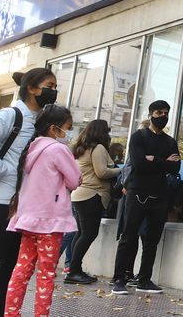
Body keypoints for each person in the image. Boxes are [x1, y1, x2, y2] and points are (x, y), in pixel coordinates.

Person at [0, 67, 57, 317]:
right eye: (49, 86)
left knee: (11, 262)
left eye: (55, 87)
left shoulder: (38, 121)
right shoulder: (11, 115)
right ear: (32, 88)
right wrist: (3, 171)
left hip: (24, 205)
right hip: (3, 200)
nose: (54, 91)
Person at [3, 104, 79, 317]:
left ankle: (11, 313)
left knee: (21, 269)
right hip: (50, 221)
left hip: (28, 219)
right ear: (54, 129)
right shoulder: (58, 149)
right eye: (68, 128)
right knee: (46, 273)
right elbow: (74, 180)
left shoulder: (32, 148)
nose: (69, 133)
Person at [110, 100, 180, 295]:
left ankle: (144, 279)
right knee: (128, 236)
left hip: (160, 195)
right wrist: (163, 162)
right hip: (137, 193)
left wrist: (153, 159)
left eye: (166, 113)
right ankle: (119, 279)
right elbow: (139, 164)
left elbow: (175, 167)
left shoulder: (170, 141)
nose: (163, 116)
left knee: (152, 240)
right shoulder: (138, 137)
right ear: (150, 115)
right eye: (159, 112)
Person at [66, 119, 120, 284]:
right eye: (107, 131)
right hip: (91, 195)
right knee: (88, 234)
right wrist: (120, 170)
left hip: (79, 195)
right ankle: (74, 271)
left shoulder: (81, 148)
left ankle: (74, 269)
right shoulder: (98, 148)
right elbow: (102, 172)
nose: (108, 135)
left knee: (81, 234)